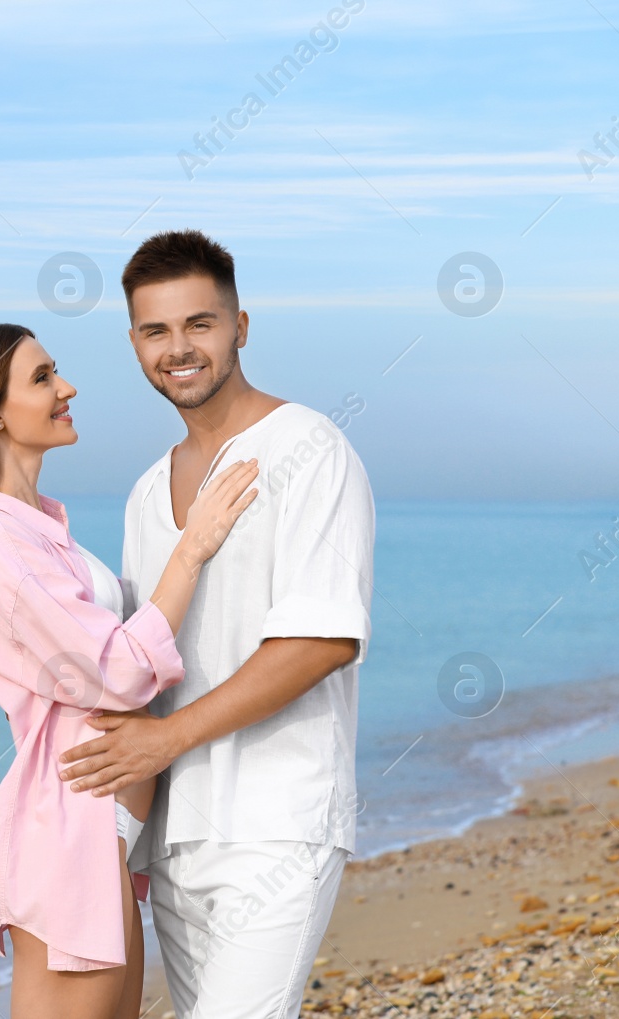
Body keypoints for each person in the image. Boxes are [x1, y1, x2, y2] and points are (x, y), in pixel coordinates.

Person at [0, 321, 258, 1019]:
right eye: (42, 378)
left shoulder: (35, 526)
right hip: (68, 834)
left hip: (101, 835)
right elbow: (116, 671)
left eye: (55, 371)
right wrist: (194, 548)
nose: (68, 388)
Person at [58, 230, 376, 1019]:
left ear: (240, 324)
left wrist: (165, 739)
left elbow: (321, 640)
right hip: (174, 834)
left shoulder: (308, 447)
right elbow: (137, 663)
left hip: (279, 817)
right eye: (156, 330)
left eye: (200, 323)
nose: (179, 348)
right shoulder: (142, 493)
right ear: (134, 343)